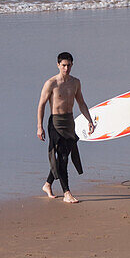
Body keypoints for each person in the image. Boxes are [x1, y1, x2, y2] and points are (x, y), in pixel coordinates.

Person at [37, 51, 94, 203]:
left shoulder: (75, 82)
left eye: (69, 65)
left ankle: (48, 184)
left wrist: (89, 120)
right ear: (58, 65)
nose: (66, 68)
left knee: (64, 157)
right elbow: (41, 105)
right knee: (62, 157)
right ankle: (67, 192)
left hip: (69, 122)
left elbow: (81, 103)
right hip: (56, 123)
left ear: (72, 65)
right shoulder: (51, 83)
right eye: (63, 65)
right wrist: (39, 127)